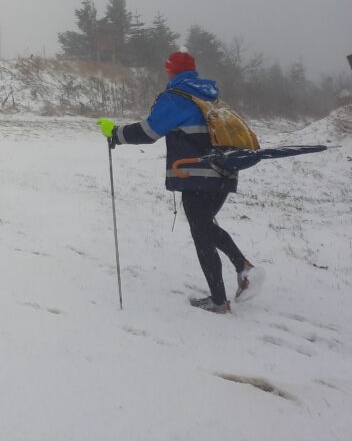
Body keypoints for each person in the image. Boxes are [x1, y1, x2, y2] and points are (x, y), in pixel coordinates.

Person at [97, 51, 254, 314]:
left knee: (202, 230)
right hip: (225, 171)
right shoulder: (210, 96)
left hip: (196, 174)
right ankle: (237, 275)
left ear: (170, 71)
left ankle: (226, 291)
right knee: (204, 228)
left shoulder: (176, 97)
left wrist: (116, 133)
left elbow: (149, 132)